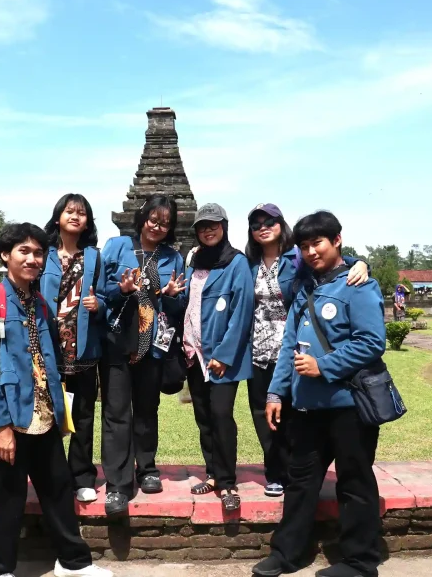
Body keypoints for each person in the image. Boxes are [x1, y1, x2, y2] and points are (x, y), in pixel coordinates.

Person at [0, 222, 111, 577]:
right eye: (24, 251)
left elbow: (49, 357)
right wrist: (0, 427)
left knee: (58, 487)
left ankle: (73, 563)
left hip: (43, 411)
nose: (32, 259)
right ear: (6, 255)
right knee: (7, 494)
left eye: (38, 253)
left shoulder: (38, 303)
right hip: (12, 416)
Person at [252, 210, 387, 577]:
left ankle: (360, 561)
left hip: (349, 406)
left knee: (354, 481)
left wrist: (323, 366)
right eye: (305, 246)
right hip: (308, 406)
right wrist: (276, 393)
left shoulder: (358, 285)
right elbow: (289, 346)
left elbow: (372, 342)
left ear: (337, 240)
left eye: (318, 243)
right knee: (300, 481)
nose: (311, 252)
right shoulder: (305, 289)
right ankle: (287, 553)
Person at [244, 203, 370, 497]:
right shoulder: (247, 263)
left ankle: (294, 471)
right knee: (263, 413)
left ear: (281, 224)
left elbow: (331, 260)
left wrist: (361, 263)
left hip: (293, 349)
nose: (263, 228)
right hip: (257, 348)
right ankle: (274, 471)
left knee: (292, 414)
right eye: (256, 224)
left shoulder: (297, 256)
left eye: (269, 222)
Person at [100, 194, 186, 515]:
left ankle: (147, 468)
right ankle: (117, 484)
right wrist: (120, 289)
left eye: (165, 223)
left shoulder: (173, 258)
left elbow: (178, 306)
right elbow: (100, 292)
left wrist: (173, 296)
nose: (158, 227)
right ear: (143, 217)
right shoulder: (117, 247)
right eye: (153, 219)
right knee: (117, 413)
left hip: (153, 345)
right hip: (118, 342)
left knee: (148, 410)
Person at [184, 203, 254, 511]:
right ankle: (212, 473)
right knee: (204, 417)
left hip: (221, 358)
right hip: (194, 353)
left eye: (213, 224)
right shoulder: (194, 261)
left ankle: (227, 482)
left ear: (224, 227)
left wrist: (225, 355)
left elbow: (242, 311)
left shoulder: (236, 262)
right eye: (202, 226)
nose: (208, 230)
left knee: (221, 415)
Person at [41, 193, 105, 504]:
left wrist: (99, 303)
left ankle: (82, 476)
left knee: (83, 416)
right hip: (49, 349)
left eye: (82, 213)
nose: (75, 216)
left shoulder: (94, 257)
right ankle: (52, 477)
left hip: (82, 349)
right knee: (48, 415)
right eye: (70, 211)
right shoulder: (43, 254)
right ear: (58, 217)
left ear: (88, 222)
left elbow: (106, 294)